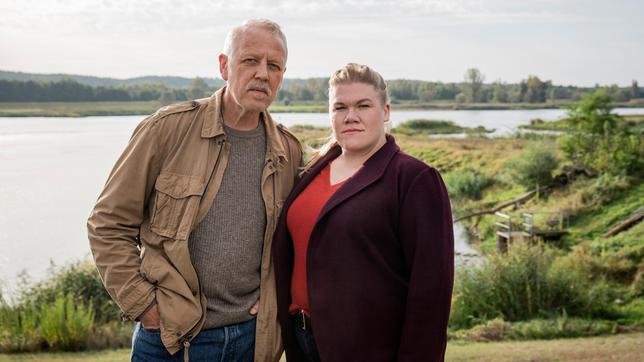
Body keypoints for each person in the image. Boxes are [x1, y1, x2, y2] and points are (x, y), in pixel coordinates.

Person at [87, 19, 302, 362]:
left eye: (273, 66)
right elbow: (107, 223)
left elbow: (299, 238)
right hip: (171, 341)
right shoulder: (167, 130)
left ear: (281, 75)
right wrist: (144, 305)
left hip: (251, 342)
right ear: (224, 66)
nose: (262, 73)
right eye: (250, 60)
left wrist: (278, 293)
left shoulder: (289, 151)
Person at [273, 63, 454, 362]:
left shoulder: (413, 179)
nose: (351, 116)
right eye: (340, 107)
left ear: (385, 111)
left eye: (363, 105)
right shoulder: (312, 171)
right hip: (302, 339)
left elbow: (430, 295)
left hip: (368, 349)